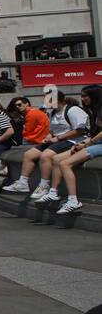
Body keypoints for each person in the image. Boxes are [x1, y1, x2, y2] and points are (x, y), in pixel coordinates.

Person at [46, 84, 102, 215]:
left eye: (85, 96)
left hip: (99, 144)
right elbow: (94, 134)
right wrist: (83, 143)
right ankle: (53, 192)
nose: (83, 99)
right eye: (82, 96)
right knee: (57, 158)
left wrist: (88, 143)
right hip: (94, 143)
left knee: (65, 164)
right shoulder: (93, 110)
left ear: (94, 96)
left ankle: (73, 200)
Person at [25, 95, 91, 204]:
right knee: (29, 154)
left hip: (73, 141)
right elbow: (51, 131)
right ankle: (24, 182)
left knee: (47, 156)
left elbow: (80, 130)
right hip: (59, 140)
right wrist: (48, 138)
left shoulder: (73, 110)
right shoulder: (53, 113)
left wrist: (59, 138)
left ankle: (47, 187)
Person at [1, 99, 50, 193]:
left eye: (19, 104)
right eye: (16, 106)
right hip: (38, 140)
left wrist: (24, 133)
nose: (17, 107)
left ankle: (22, 181)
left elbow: (28, 130)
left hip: (35, 140)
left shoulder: (31, 114)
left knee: (21, 152)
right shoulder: (34, 112)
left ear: (27, 103)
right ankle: (22, 181)